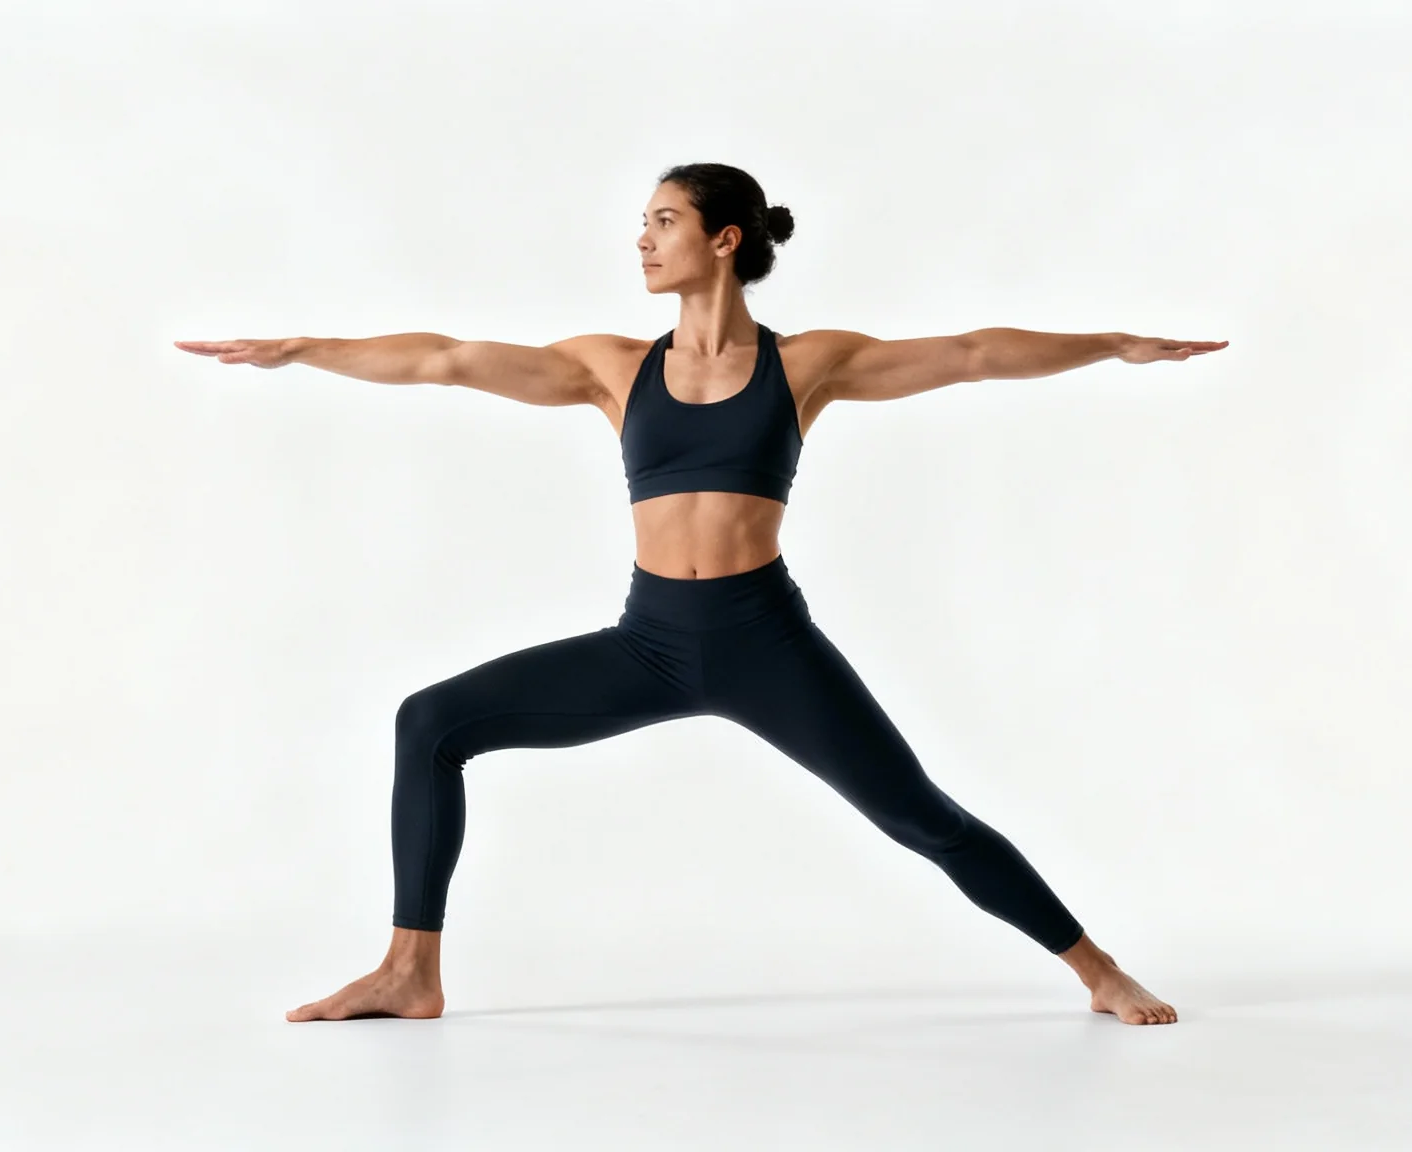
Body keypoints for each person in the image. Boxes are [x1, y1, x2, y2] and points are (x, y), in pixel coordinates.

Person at [176, 162, 1225, 1027]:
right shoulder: (609, 368)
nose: (641, 239)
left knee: (919, 816)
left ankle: (1097, 970)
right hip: (648, 644)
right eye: (642, 224)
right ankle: (410, 970)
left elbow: (971, 353)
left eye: (662, 222)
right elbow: (444, 359)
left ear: (723, 240)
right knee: (430, 721)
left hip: (763, 640)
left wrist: (1114, 345)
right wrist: (306, 350)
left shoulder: (805, 364)